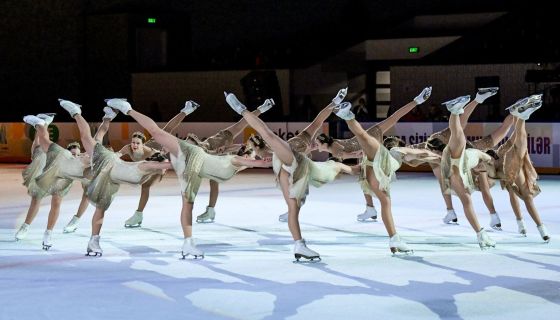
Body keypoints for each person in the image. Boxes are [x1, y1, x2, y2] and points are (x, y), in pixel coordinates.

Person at [105, 97, 272, 259]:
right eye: (248, 152)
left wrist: (262, 158)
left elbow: (260, 158)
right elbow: (258, 153)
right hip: (193, 155)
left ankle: (189, 241)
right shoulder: (235, 160)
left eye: (248, 152)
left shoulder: (235, 162)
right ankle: (127, 108)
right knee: (159, 133)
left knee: (188, 203)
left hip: (194, 164)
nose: (247, 152)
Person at [224, 89, 355, 261]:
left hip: (292, 168)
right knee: (268, 135)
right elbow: (320, 118)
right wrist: (335, 101)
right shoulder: (305, 136)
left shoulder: (308, 155)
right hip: (287, 160)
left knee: (295, 207)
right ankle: (241, 109)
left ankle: (299, 245)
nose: (318, 143)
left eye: (319, 144)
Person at [58, 99, 172, 257]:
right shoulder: (147, 166)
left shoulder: (147, 168)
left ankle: (94, 240)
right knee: (86, 138)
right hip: (108, 162)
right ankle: (76, 112)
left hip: (111, 179)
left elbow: (165, 165)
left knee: (101, 207)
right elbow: (164, 163)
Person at [315, 87, 432, 222]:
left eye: (316, 144)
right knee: (394, 118)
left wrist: (359, 155)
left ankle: (371, 207)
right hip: (368, 140)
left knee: (364, 177)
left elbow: (348, 156)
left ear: (323, 144)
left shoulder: (334, 149)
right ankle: (417, 100)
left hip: (367, 145)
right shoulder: (332, 145)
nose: (315, 146)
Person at [18, 113, 93, 250]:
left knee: (56, 202)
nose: (75, 156)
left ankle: (48, 233)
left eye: (77, 154)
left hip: (63, 180)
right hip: (51, 173)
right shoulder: (61, 156)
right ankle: (25, 226)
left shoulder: (82, 160)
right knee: (38, 151)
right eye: (73, 153)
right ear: (67, 152)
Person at [495, 95, 550, 241]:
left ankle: (521, 114)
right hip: (505, 157)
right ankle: (521, 115)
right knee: (522, 195)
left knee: (521, 194)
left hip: (506, 154)